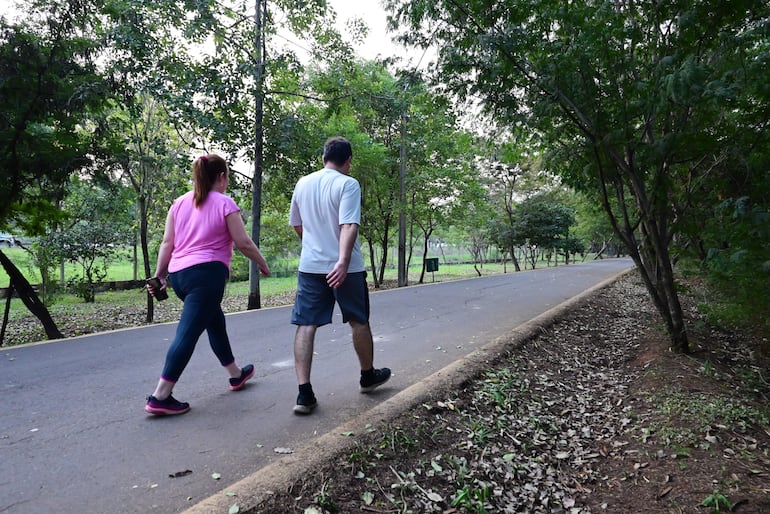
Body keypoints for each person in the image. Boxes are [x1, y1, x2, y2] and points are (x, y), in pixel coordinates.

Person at [144, 154, 270, 416]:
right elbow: (243, 242)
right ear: (221, 177)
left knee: (214, 321)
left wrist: (160, 276)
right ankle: (161, 395)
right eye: (227, 177)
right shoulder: (225, 203)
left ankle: (235, 374)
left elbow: (168, 244)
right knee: (187, 334)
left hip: (180, 277)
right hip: (206, 276)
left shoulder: (178, 204)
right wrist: (262, 263)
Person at [289, 136, 390, 415]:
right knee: (358, 320)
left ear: (324, 158)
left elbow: (297, 225)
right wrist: (342, 261)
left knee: (306, 325)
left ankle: (304, 393)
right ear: (348, 161)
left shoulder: (303, 183)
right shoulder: (348, 183)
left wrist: (315, 246)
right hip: (347, 268)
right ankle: (367, 376)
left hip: (311, 267)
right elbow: (348, 225)